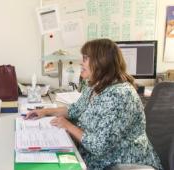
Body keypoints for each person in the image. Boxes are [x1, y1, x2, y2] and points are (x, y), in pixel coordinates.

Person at [25, 39, 162, 170]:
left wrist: (67, 125)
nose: (81, 63)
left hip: (121, 163)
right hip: (92, 156)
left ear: (100, 62)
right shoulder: (94, 85)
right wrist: (44, 111)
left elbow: (98, 146)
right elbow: (74, 110)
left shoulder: (120, 95)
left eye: (85, 58)